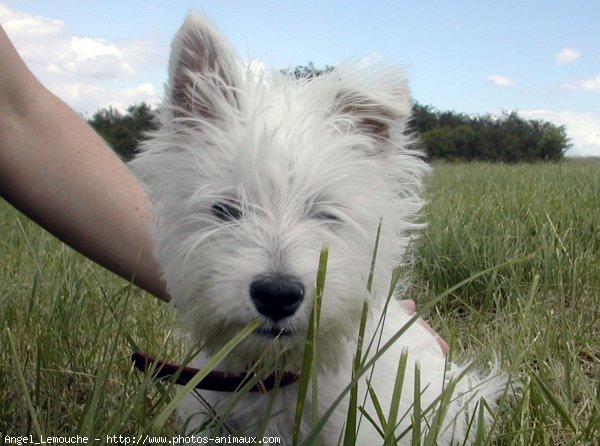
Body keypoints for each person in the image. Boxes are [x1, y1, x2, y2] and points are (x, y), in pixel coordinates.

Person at [0, 24, 448, 354]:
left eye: (325, 215)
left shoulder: (381, 382)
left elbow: (14, 112)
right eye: (228, 211)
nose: (279, 273)